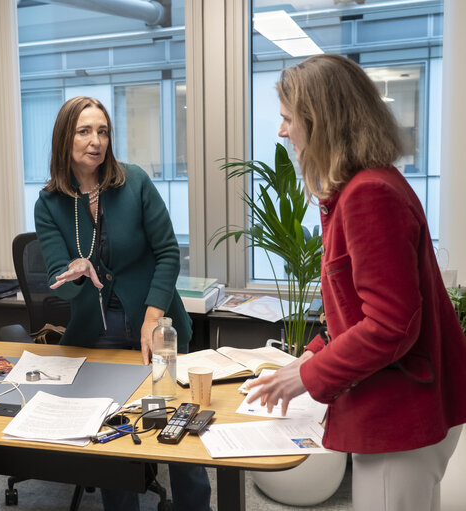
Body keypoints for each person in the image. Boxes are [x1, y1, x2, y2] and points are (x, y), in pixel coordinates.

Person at [247, 54, 466, 511]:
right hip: (405, 401)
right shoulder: (361, 187)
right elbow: (363, 309)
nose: (282, 132)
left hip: (403, 408)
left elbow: (391, 325)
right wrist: (310, 355)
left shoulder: (368, 194)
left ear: (320, 121)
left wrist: (307, 377)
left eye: (288, 119)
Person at [34, 96, 211, 511]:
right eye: (84, 131)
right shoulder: (49, 203)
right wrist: (73, 276)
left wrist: (152, 317)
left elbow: (168, 252)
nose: (96, 141)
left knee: (178, 430)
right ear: (65, 138)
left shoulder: (134, 182)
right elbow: (60, 282)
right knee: (111, 440)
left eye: (103, 131)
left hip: (158, 328)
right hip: (97, 337)